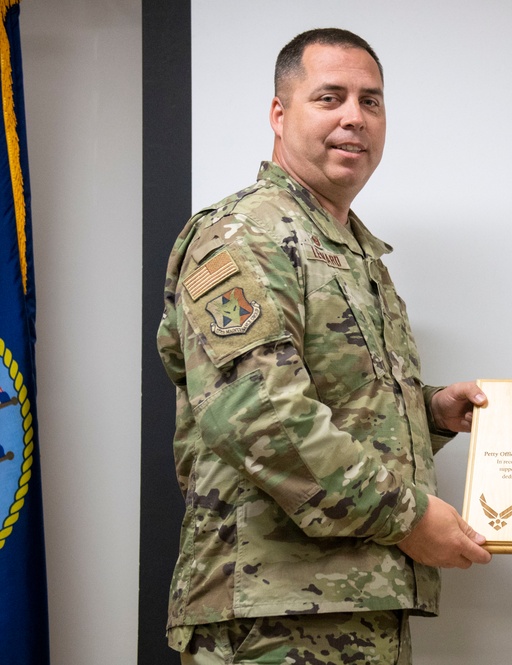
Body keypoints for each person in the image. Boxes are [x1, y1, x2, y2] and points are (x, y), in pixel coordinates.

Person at [156, 28, 492, 665]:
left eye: (371, 101)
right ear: (279, 115)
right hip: (269, 616)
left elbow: (339, 402)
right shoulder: (242, 236)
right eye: (329, 97)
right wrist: (410, 517)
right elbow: (262, 416)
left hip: (351, 606)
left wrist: (431, 411)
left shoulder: (355, 252)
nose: (353, 118)